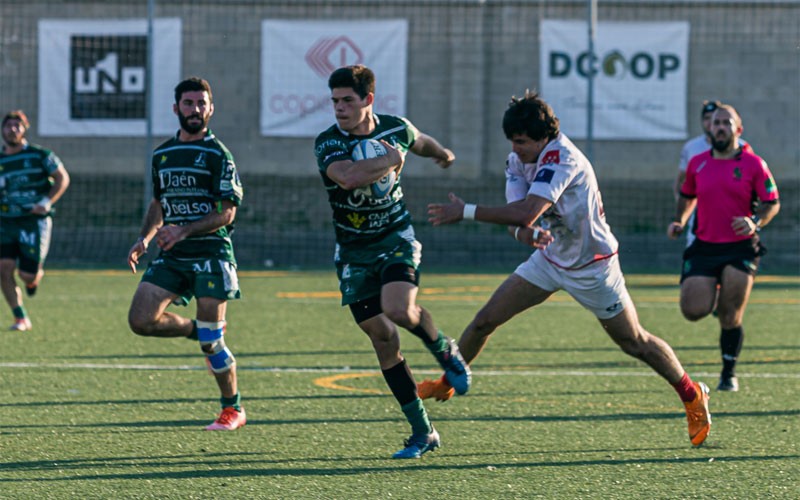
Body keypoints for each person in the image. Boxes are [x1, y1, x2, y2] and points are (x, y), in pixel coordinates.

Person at [418, 91, 712, 447]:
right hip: (550, 257)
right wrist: (525, 235)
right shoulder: (518, 159)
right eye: (512, 141)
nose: (516, 148)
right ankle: (449, 381)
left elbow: (525, 211)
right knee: (484, 321)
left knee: (635, 342)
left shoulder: (562, 157)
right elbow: (519, 220)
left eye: (522, 141)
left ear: (545, 136)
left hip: (593, 267)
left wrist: (466, 212)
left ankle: (691, 394)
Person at [313, 65, 470, 459]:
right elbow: (348, 177)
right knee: (383, 340)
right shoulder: (327, 143)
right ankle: (423, 432)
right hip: (352, 252)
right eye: (335, 101)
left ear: (368, 100)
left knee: (398, 309)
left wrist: (443, 155)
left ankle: (444, 349)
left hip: (395, 238)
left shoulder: (394, 128)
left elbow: (420, 141)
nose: (340, 109)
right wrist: (391, 161)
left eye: (348, 100)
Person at [126, 77, 246, 430]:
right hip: (172, 253)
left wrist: (183, 229)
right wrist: (144, 238)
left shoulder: (218, 154)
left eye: (201, 104)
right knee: (140, 320)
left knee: (212, 342)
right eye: (189, 103)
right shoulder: (162, 154)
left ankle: (232, 408)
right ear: (176, 108)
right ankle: (193, 328)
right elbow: (158, 203)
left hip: (211, 252)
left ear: (211, 109)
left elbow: (227, 212)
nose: (195, 110)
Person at [667, 103, 780, 392]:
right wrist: (679, 220)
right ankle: (717, 291)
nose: (719, 127)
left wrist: (755, 221)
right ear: (708, 128)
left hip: (740, 248)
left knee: (730, 316)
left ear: (738, 130)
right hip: (704, 246)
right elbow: (687, 195)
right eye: (716, 122)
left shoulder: (754, 164)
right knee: (692, 310)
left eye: (726, 123)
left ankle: (728, 372)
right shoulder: (698, 163)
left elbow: (772, 202)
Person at [0, 110, 70, 331]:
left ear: (25, 129)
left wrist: (46, 202)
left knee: (26, 274)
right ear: (2, 130)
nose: (12, 129)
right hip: (5, 222)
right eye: (8, 125)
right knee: (3, 268)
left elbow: (62, 178)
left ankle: (32, 279)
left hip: (33, 221)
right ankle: (20, 317)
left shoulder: (40, 155)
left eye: (17, 126)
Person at [674, 100, 749, 247]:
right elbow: (682, 184)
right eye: (707, 119)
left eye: (713, 118)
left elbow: (753, 179)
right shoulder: (692, 148)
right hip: (702, 218)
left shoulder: (742, 147)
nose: (710, 123)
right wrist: (683, 213)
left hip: (733, 221)